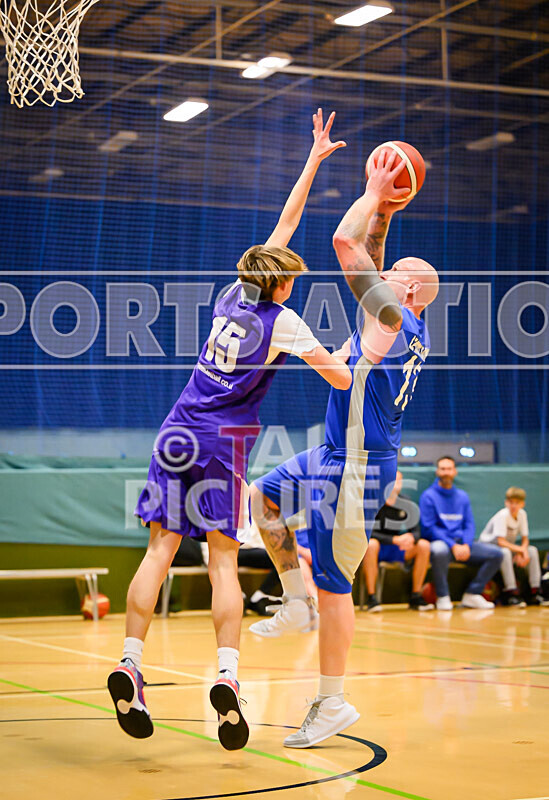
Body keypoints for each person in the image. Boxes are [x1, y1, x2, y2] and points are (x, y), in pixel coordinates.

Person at [107, 109, 352, 750]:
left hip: (176, 427)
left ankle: (130, 662)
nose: (298, 278)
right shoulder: (285, 321)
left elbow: (284, 228)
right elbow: (342, 379)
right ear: (283, 283)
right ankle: (227, 682)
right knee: (222, 562)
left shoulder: (232, 293)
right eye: (295, 277)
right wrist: (366, 346)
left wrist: (313, 161)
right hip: (223, 443)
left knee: (158, 550)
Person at [249, 148, 440, 748]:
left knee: (339, 588)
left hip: (356, 472)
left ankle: (331, 700)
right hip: (335, 455)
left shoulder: (393, 320)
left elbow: (344, 244)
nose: (385, 270)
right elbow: (371, 251)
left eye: (395, 271)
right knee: (263, 498)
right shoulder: (397, 314)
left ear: (406, 289)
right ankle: (294, 598)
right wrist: (382, 205)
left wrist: (374, 190)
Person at [419, 456, 503, 611]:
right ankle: (443, 596)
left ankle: (473, 593)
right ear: (437, 471)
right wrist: (452, 545)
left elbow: (469, 524)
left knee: (497, 554)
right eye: (443, 469)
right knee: (438, 550)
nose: (446, 472)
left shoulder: (462, 496)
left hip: (462, 544)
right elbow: (429, 528)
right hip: (442, 544)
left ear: (455, 472)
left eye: (449, 469)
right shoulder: (428, 496)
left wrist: (465, 544)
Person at [363, 470, 433, 612]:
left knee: (423, 545)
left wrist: (411, 537)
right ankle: (372, 599)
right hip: (377, 549)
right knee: (371, 545)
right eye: (393, 480)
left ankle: (415, 597)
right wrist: (393, 539)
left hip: (397, 549)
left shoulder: (405, 502)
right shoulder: (372, 502)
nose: (396, 484)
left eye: (399, 481)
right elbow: (367, 531)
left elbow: (416, 531)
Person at [480, 487, 547, 606]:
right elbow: (501, 542)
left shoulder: (522, 515)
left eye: (517, 503)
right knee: (505, 552)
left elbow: (525, 539)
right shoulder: (502, 515)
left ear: (523, 504)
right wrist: (521, 550)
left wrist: (524, 552)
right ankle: (511, 593)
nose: (514, 506)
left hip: (506, 549)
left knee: (532, 550)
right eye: (511, 502)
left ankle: (535, 591)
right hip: (488, 550)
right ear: (506, 502)